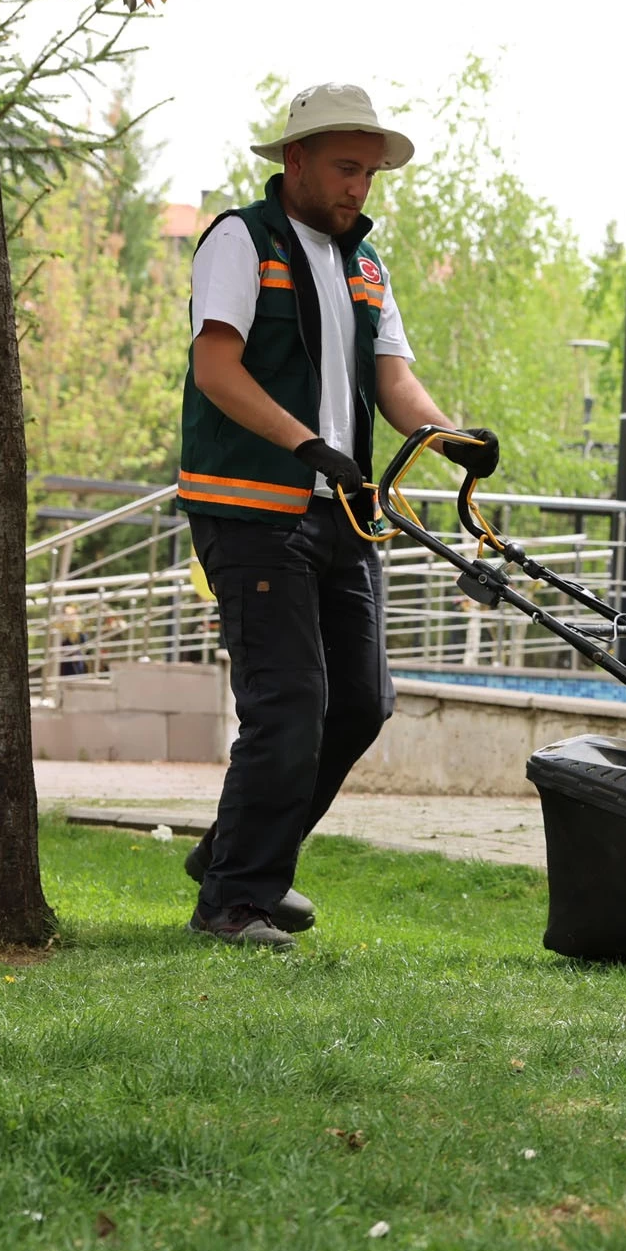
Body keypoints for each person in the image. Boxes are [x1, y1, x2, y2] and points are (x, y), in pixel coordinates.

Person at [177, 82, 498, 948]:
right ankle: (234, 903)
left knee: (359, 703)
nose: (360, 186)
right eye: (346, 168)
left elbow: (392, 379)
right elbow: (217, 369)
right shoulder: (241, 242)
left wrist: (446, 438)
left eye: (370, 172)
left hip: (342, 515)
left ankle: (235, 856)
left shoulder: (365, 265)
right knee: (289, 704)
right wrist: (306, 443)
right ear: (297, 161)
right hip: (251, 507)